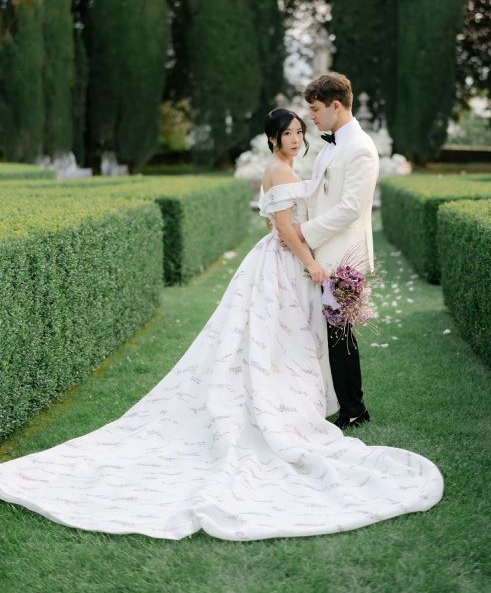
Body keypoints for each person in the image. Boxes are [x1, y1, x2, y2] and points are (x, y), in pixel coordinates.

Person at [0, 108, 443, 542]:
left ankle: (291, 400)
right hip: (288, 262)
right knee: (280, 340)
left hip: (276, 260)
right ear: (272, 140)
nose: (295, 139)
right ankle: (282, 407)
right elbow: (287, 229)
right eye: (287, 134)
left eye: (298, 133)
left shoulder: (283, 169)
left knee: (276, 339)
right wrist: (312, 264)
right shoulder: (281, 171)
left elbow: (274, 217)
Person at [290, 73, 378, 429]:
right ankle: (343, 404)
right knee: (333, 335)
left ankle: (354, 409)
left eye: (315, 109)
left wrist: (303, 232)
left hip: (343, 258)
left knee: (340, 336)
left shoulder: (360, 147)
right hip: (323, 253)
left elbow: (350, 208)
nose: (310, 116)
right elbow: (319, 192)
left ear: (335, 106)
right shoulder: (331, 145)